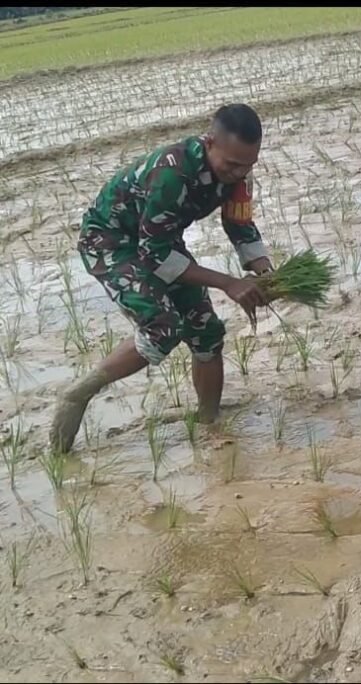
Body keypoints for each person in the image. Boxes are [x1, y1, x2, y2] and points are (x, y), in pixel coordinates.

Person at [50, 103, 274, 454]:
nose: (239, 172)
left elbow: (240, 225)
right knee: (162, 327)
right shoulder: (172, 172)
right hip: (111, 241)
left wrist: (267, 274)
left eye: (249, 164)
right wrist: (229, 283)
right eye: (231, 164)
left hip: (159, 242)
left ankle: (209, 423)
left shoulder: (238, 174)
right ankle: (79, 393)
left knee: (206, 331)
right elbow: (154, 256)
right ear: (209, 142)